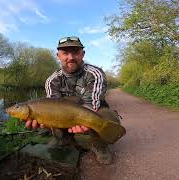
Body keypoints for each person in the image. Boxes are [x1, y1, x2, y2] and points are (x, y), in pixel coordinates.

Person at [25, 36, 119, 164]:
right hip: (66, 115)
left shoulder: (94, 73)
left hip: (92, 111)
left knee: (108, 117)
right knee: (53, 121)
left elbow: (90, 106)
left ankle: (98, 144)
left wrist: (83, 123)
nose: (70, 57)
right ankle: (66, 140)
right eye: (65, 53)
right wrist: (44, 120)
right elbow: (52, 109)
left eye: (75, 52)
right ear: (58, 55)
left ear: (82, 54)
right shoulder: (52, 80)